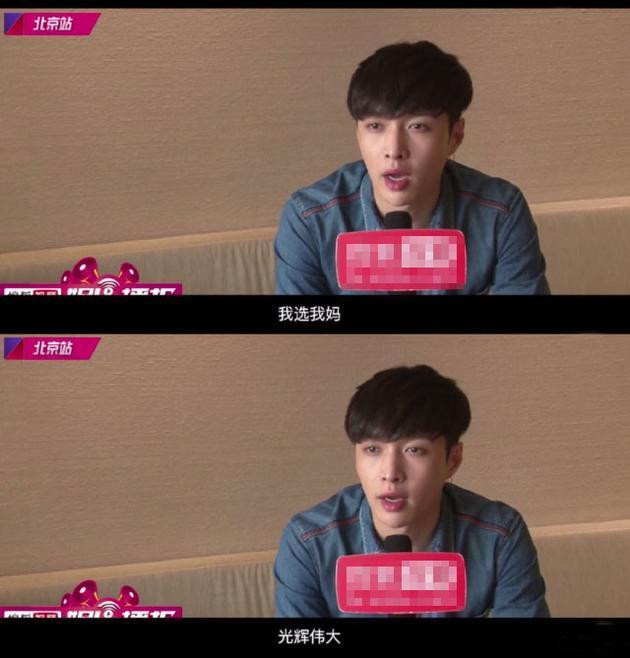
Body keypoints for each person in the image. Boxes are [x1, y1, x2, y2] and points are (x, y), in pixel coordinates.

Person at [274, 41, 550, 295]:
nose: (394, 150)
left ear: (454, 137)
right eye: (375, 126)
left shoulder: (500, 213)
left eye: (417, 126)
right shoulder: (310, 219)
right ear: (357, 134)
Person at [274, 365, 550, 617]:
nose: (390, 473)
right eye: (373, 449)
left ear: (453, 460)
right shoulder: (309, 542)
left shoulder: (499, 536)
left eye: (414, 450)